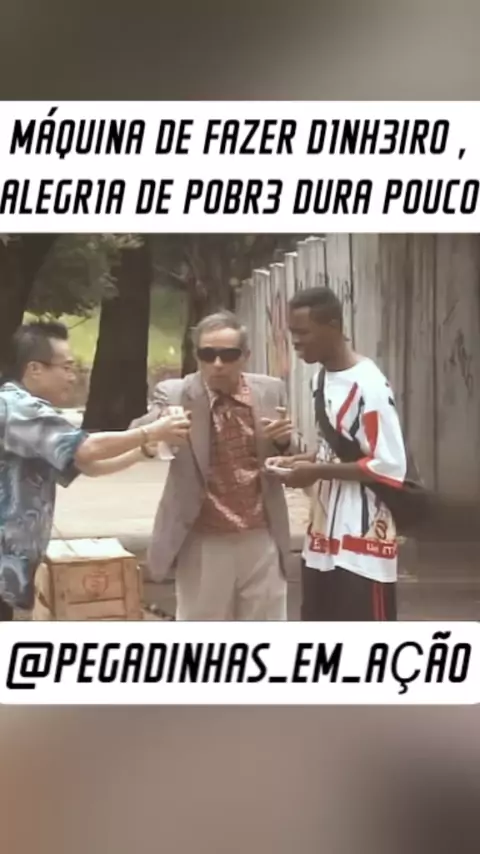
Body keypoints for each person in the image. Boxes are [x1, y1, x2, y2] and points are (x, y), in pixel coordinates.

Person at [0, 320, 191, 620]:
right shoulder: (17, 408)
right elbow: (87, 448)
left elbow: (90, 466)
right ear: (35, 369)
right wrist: (150, 431)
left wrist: (143, 450)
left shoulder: (28, 411)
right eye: (66, 367)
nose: (72, 377)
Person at [266, 287, 407, 621]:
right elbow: (337, 449)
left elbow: (389, 464)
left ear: (332, 326)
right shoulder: (320, 380)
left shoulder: (369, 386)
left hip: (364, 545)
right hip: (322, 541)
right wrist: (298, 461)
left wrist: (315, 472)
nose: (295, 342)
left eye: (303, 332)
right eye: (292, 333)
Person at [147, 310, 295, 621]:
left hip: (261, 535)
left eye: (228, 355)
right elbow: (142, 433)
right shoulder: (175, 394)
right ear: (197, 356)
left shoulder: (270, 391)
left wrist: (284, 443)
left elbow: (292, 456)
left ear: (245, 356)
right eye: (207, 354)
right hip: (204, 538)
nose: (217, 364)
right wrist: (159, 428)